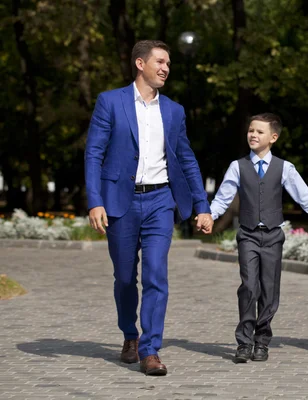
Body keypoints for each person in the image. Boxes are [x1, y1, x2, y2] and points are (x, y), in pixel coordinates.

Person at [85, 40, 213, 376]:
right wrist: (95, 200)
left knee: (157, 272)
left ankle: (150, 349)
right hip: (119, 202)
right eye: (160, 61)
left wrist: (202, 204)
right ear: (140, 64)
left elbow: (186, 158)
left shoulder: (173, 110)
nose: (166, 68)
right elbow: (94, 153)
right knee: (125, 277)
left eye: (168, 63)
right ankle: (130, 334)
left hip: (160, 200)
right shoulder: (110, 102)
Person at [210, 113, 308, 363]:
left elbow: (304, 197)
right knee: (249, 287)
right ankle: (244, 342)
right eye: (250, 130)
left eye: (259, 132)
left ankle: (262, 341)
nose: (253, 135)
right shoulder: (238, 166)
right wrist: (209, 216)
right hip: (248, 236)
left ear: (273, 137)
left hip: (273, 236)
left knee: (269, 291)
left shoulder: (284, 168)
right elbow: (222, 198)